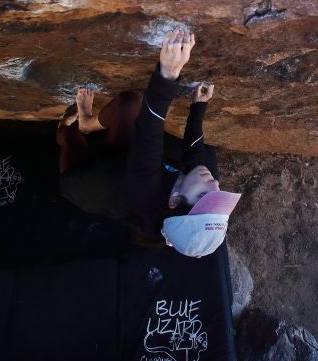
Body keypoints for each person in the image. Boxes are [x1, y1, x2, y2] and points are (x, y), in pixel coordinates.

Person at [56, 27, 241, 257]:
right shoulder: (189, 189)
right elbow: (194, 157)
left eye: (204, 195)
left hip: (84, 178)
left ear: (174, 200)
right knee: (127, 104)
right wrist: (198, 107)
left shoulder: (146, 196)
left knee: (69, 136)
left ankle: (68, 132)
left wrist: (168, 74)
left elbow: (149, 133)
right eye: (218, 192)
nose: (214, 183)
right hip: (124, 161)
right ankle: (87, 124)